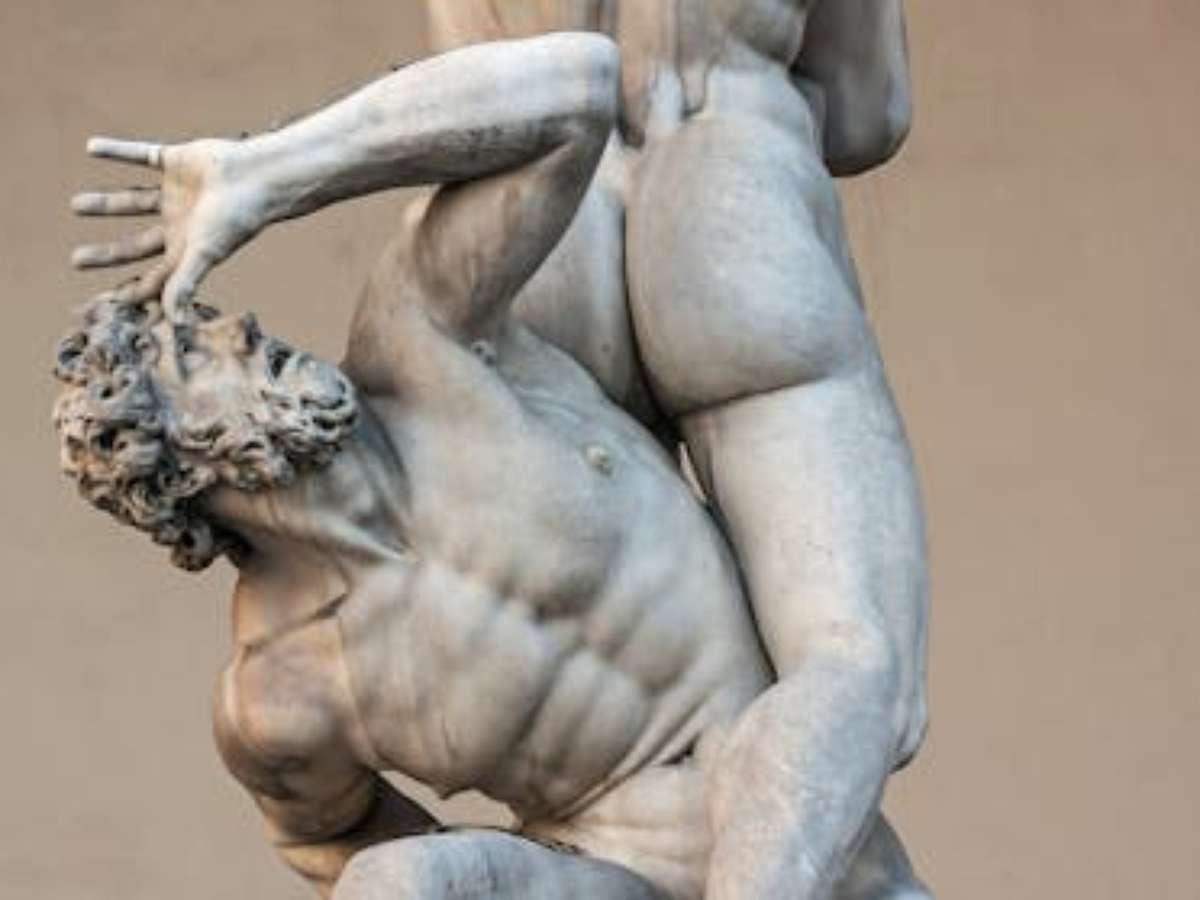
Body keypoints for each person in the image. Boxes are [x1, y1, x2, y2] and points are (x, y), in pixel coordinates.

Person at [425, 5, 931, 899]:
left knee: (618, 710)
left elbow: (478, 91)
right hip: (725, 185)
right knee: (850, 662)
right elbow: (868, 111)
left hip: (549, 232)